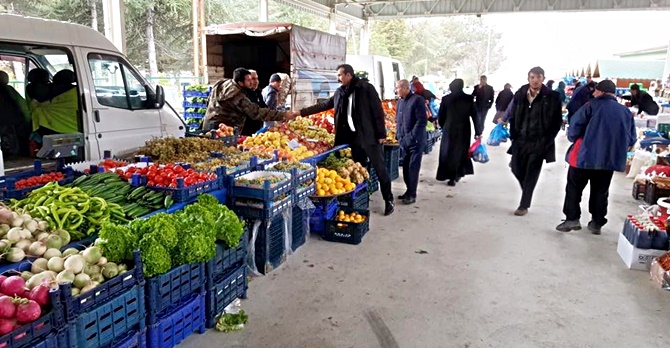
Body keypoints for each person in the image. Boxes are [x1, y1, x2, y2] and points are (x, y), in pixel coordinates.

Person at [299, 64, 394, 216]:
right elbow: (324, 105)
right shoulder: (340, 92)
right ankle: (363, 196)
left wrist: (381, 134)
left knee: (380, 168)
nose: (338, 78)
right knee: (359, 169)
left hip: (369, 137)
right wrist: (301, 112)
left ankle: (388, 200)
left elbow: (378, 111)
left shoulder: (365, 88)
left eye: (340, 75)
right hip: (354, 139)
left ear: (349, 75)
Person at [556, 80, 637, 234]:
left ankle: (572, 219)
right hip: (608, 161)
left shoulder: (591, 106)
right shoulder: (625, 112)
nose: (593, 93)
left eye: (595, 91)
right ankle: (597, 223)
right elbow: (632, 139)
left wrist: (574, 138)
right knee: (601, 191)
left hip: (584, 157)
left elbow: (574, 127)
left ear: (600, 92)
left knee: (574, 188)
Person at [499, 66, 563, 216]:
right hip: (520, 139)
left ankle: (524, 205)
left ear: (543, 79)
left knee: (532, 172)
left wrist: (547, 140)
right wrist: (512, 134)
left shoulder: (552, 96)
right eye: (532, 77)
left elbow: (556, 121)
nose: (535, 80)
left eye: (538, 77)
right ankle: (526, 190)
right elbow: (513, 114)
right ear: (528, 78)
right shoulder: (520, 94)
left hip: (539, 141)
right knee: (516, 168)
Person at [203, 67, 298, 132]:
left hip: (209, 124)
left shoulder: (222, 83)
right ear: (240, 82)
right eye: (248, 80)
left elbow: (209, 101)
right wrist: (284, 115)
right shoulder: (237, 97)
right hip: (223, 131)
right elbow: (256, 112)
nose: (251, 82)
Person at [436, 79, 482, 186]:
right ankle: (456, 174)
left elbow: (441, 116)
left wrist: (444, 126)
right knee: (460, 152)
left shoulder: (446, 99)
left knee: (448, 152)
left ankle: (449, 175)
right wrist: (478, 131)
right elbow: (475, 116)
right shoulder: (469, 99)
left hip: (449, 129)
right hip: (464, 129)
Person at [395, 79, 427, 204]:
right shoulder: (400, 102)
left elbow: (421, 121)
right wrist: (399, 135)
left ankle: (412, 194)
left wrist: (411, 137)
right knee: (406, 169)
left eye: (397, 88)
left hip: (416, 142)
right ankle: (408, 191)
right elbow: (399, 121)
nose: (396, 90)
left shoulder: (417, 100)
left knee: (413, 168)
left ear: (405, 88)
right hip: (404, 141)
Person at [241, 69, 266, 135]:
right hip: (246, 131)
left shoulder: (258, 92)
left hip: (258, 129)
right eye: (253, 79)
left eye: (257, 79)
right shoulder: (243, 94)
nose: (256, 81)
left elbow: (263, 106)